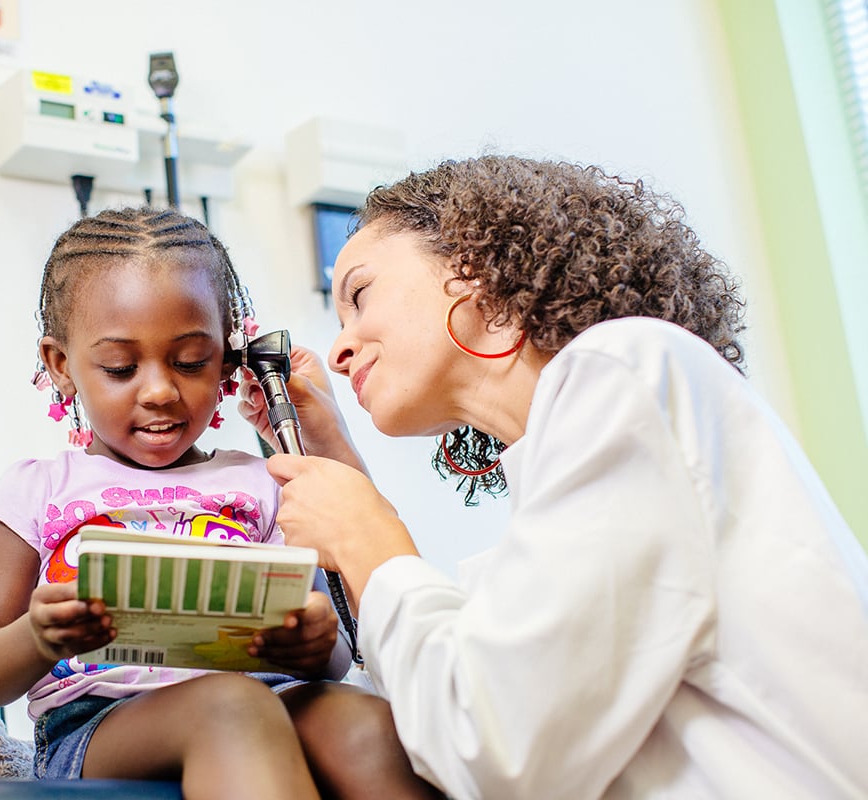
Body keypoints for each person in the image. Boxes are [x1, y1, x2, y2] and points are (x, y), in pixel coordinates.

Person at [239, 157, 868, 799]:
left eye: (360, 295)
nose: (339, 353)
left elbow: (493, 743)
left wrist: (369, 533)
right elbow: (448, 689)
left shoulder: (630, 367)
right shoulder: (578, 476)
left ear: (472, 265)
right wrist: (341, 470)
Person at [0, 206, 441, 800]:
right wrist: (38, 636)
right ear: (61, 365)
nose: (159, 390)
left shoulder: (264, 483)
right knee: (230, 705)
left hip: (270, 692)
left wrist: (314, 647)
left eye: (189, 362)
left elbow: (336, 654)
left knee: (368, 722)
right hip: (102, 723)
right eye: (120, 367)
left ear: (229, 361)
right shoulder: (37, 488)